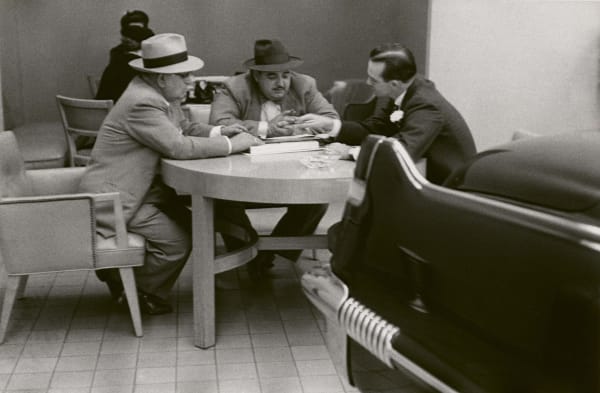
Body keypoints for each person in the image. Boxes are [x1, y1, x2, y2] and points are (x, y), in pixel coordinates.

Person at [79, 33, 260, 314]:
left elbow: (185, 128)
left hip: (146, 191)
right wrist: (231, 145)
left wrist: (220, 131)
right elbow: (177, 146)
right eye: (184, 76)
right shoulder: (142, 102)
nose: (191, 81)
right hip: (120, 197)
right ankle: (136, 292)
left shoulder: (157, 93)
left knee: (196, 226)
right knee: (178, 241)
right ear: (162, 78)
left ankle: (130, 283)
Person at [209, 39, 340, 278]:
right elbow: (220, 124)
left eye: (286, 75)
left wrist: (304, 127)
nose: (282, 83)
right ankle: (247, 255)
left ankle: (272, 254)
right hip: (243, 176)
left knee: (317, 197)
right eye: (271, 77)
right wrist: (265, 128)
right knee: (222, 199)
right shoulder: (234, 87)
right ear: (256, 75)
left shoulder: (305, 84)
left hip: (292, 171)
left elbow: (330, 118)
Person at [293, 43, 476, 185]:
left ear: (394, 83)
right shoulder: (405, 88)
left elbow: (402, 152)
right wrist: (330, 125)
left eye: (373, 79)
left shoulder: (426, 104)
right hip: (421, 177)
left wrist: (350, 152)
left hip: (446, 190)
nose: (367, 82)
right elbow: (374, 128)